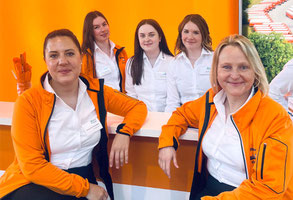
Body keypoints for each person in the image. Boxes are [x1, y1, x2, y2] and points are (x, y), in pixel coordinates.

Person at [0, 29, 147, 200]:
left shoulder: (97, 92)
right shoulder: (29, 101)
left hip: (83, 174)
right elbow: (32, 166)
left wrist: (125, 132)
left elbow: (138, 107)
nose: (62, 61)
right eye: (54, 55)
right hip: (35, 182)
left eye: (69, 53)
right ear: (45, 61)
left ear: (81, 57)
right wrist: (85, 189)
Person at [158, 35, 293, 199]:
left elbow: (269, 188)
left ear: (255, 71)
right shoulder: (211, 100)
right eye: (226, 67)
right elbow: (181, 114)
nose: (234, 75)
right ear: (216, 71)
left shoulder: (276, 118)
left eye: (243, 67)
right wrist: (167, 143)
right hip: (208, 186)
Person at [165, 14, 213, 112]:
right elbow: (172, 102)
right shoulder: (174, 64)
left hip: (213, 117)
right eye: (186, 32)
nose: (190, 37)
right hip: (186, 117)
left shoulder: (216, 59)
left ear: (203, 35)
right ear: (180, 34)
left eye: (196, 32)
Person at [125, 19, 173, 112]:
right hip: (142, 119)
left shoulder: (172, 62)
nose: (146, 39)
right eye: (142, 36)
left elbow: (175, 98)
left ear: (160, 37)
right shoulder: (131, 63)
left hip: (168, 118)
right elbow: (131, 95)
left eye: (151, 35)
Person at [81, 11, 128, 93]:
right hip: (103, 103)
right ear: (90, 31)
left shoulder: (121, 51)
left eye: (104, 24)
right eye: (96, 27)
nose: (103, 30)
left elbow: (129, 81)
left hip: (124, 101)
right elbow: (86, 87)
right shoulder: (86, 57)